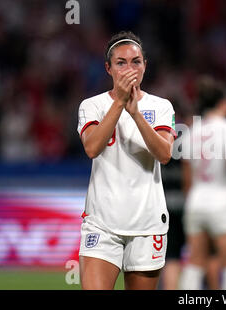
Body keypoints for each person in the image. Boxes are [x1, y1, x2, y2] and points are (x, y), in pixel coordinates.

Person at [76, 31, 177, 290]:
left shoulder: (161, 106)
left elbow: (165, 154)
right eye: (121, 62)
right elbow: (92, 148)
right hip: (102, 222)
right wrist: (119, 103)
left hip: (147, 223)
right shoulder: (92, 105)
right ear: (108, 68)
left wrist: (136, 114)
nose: (130, 68)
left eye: (136, 61)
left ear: (145, 66)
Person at [179, 77, 226, 290]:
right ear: (223, 103)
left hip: (196, 202)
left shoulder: (191, 132)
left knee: (195, 263)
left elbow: (187, 180)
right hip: (223, 201)